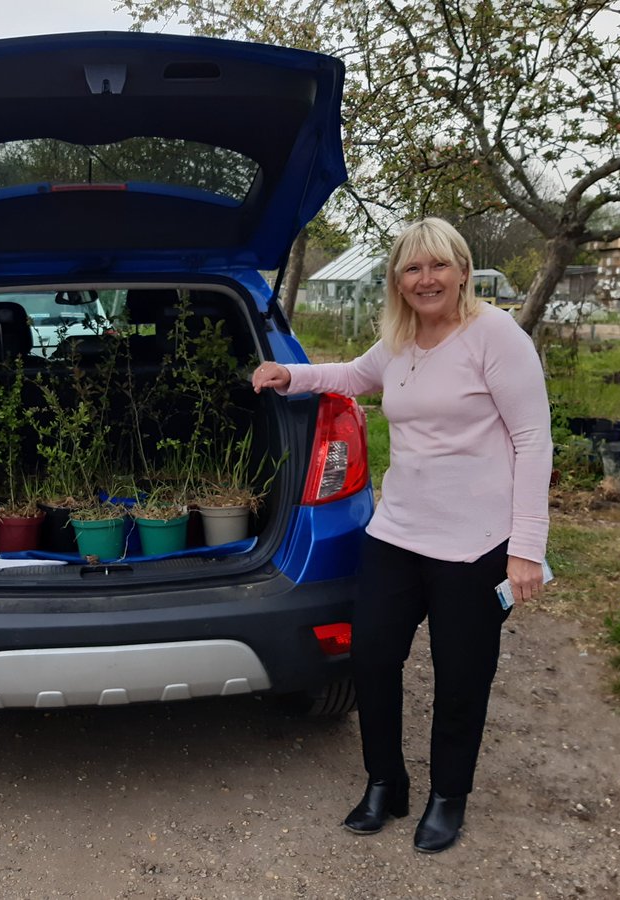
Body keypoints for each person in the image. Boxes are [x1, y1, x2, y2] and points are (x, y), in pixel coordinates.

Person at [252, 218, 551, 853]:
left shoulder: (497, 336)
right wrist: (291, 375)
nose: (425, 279)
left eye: (438, 265)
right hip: (398, 533)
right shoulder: (400, 339)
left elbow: (533, 440)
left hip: (475, 544)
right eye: (412, 269)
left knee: (460, 675)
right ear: (397, 280)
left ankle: (448, 796)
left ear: (463, 270)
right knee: (372, 658)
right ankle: (386, 782)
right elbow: (353, 376)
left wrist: (527, 548)